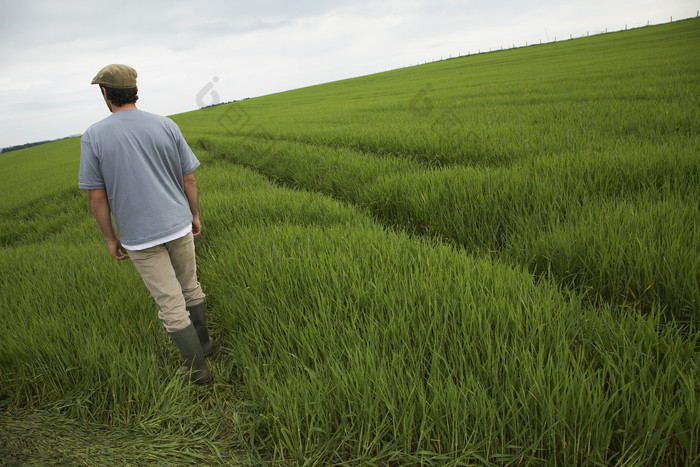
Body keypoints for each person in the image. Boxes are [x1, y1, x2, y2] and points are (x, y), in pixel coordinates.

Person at [79, 64, 213, 384]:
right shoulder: (165, 125)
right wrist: (194, 215)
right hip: (179, 224)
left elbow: (97, 199)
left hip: (140, 237)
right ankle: (206, 344)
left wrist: (110, 238)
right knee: (190, 286)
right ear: (135, 90)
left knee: (170, 302)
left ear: (105, 93)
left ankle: (198, 372)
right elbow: (189, 177)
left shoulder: (94, 136)